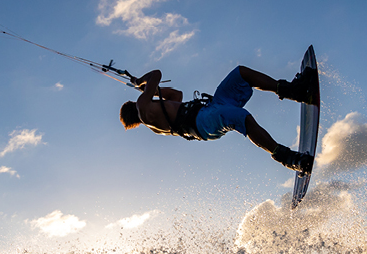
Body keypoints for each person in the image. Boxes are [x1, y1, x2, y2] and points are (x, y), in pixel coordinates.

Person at [119, 65, 318, 173]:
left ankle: (294, 91)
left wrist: (150, 89)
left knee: (241, 73)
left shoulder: (152, 115)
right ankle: (288, 158)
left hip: (209, 108)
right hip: (203, 122)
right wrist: (140, 82)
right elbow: (156, 73)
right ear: (133, 107)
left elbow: (176, 95)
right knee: (242, 118)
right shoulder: (142, 107)